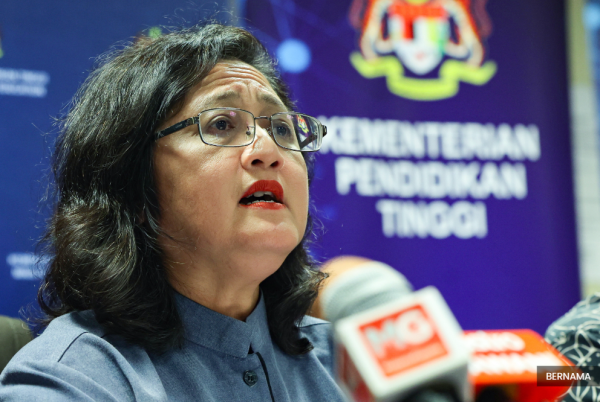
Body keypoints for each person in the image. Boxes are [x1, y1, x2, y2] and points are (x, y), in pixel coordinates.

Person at [0, 23, 345, 402]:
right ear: (134, 190)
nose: (269, 150)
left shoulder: (352, 364)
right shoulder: (71, 378)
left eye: (282, 128)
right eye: (222, 124)